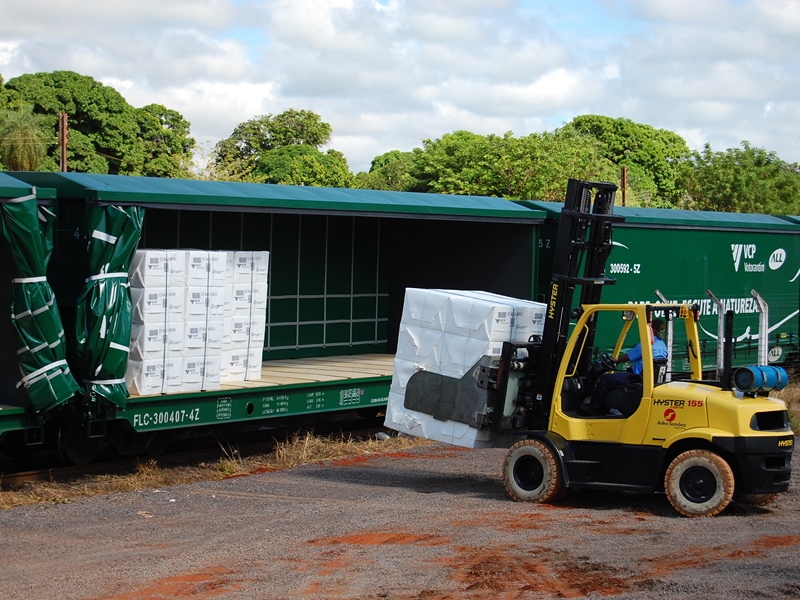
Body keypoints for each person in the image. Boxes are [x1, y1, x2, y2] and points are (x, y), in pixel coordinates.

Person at [583, 318, 668, 416]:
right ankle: (605, 409)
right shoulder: (663, 346)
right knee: (614, 379)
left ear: (652, 330)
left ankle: (595, 409)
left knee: (605, 380)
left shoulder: (647, 344)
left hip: (635, 378)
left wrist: (617, 360)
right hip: (648, 380)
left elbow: (628, 357)